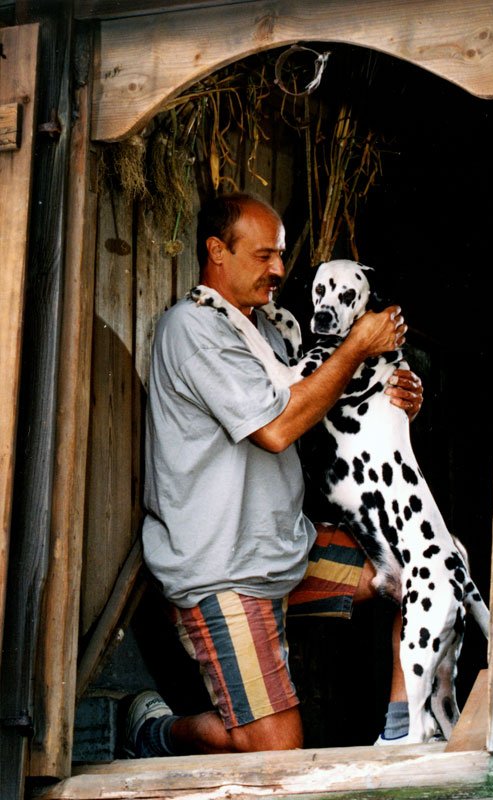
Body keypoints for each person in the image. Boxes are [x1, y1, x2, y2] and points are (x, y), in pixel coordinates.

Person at [126, 192, 423, 757]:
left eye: (281, 255)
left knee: (421, 574)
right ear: (217, 251)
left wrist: (395, 395)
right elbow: (278, 428)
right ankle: (155, 733)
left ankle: (401, 730)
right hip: (223, 571)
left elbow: (327, 397)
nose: (280, 270)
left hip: (285, 549)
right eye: (265, 256)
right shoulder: (192, 329)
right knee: (276, 751)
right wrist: (357, 347)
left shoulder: (273, 329)